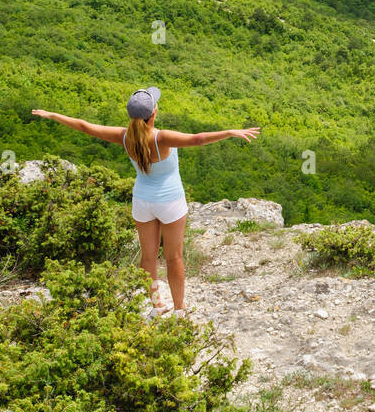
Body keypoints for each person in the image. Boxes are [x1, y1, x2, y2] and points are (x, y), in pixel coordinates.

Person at [31, 87, 259, 316]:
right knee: (174, 258)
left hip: (142, 202)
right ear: (154, 113)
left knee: (148, 257)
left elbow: (84, 126)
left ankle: (157, 305)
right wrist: (230, 131)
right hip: (170, 202)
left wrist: (53, 115)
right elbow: (198, 139)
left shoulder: (124, 136)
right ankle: (179, 309)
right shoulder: (161, 138)